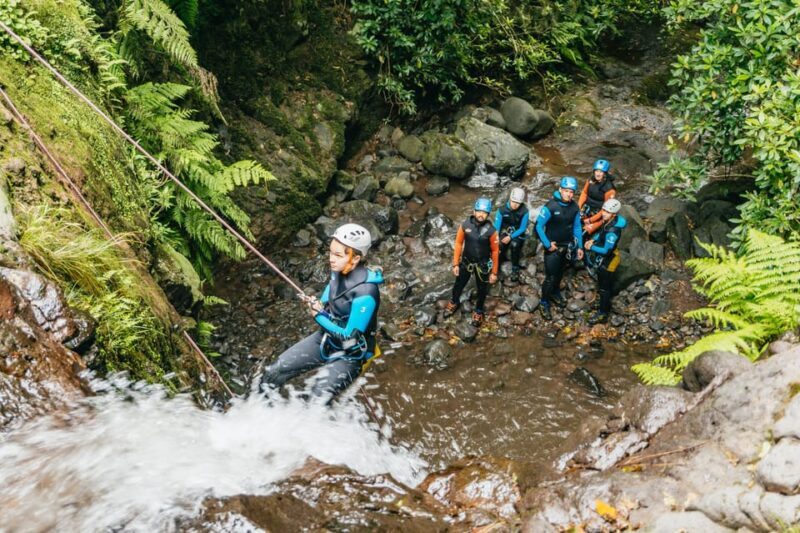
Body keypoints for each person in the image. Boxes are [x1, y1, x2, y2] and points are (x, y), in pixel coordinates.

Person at [260, 223, 383, 402]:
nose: (331, 259)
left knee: (317, 398)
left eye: (338, 255)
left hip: (351, 355)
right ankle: (260, 414)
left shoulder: (366, 293)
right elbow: (331, 292)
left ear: (355, 259)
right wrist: (319, 303)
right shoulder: (339, 270)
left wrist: (317, 315)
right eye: (331, 252)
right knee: (274, 372)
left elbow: (349, 336)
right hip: (325, 339)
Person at [445, 197, 500, 326]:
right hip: (466, 262)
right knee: (459, 284)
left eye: (484, 212)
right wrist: (455, 264)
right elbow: (458, 243)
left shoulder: (491, 231)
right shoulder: (465, 225)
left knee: (482, 289)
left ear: (488, 214)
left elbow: (495, 251)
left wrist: (494, 273)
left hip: (483, 265)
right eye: (479, 211)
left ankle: (479, 311)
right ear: (474, 211)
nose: (481, 215)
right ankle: (454, 301)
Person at [535, 177, 584, 320]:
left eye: (571, 192)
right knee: (550, 277)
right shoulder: (551, 206)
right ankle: (544, 302)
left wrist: (580, 246)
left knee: (560, 273)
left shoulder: (575, 207)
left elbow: (577, 226)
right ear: (560, 190)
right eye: (566, 191)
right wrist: (547, 244)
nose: (569, 194)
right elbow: (538, 226)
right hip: (553, 246)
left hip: (567, 245)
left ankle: (555, 292)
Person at [583, 198, 626, 324]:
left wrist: (592, 247)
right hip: (605, 257)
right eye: (603, 210)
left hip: (609, 260)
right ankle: (602, 303)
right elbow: (601, 233)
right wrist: (594, 240)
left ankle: (603, 313)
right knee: (602, 284)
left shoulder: (613, 231)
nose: (604, 213)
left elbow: (606, 251)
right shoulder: (609, 221)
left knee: (604, 288)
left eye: (607, 212)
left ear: (614, 214)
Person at [494, 187, 530, 282]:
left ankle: (515, 268)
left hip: (517, 232)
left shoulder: (524, 211)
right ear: (510, 199)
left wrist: (510, 237)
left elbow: (522, 228)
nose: (515, 205)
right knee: (499, 245)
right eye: (513, 201)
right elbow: (496, 227)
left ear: (521, 203)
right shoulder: (501, 210)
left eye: (518, 203)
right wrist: (496, 237)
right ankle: (496, 265)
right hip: (505, 231)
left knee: (515, 245)